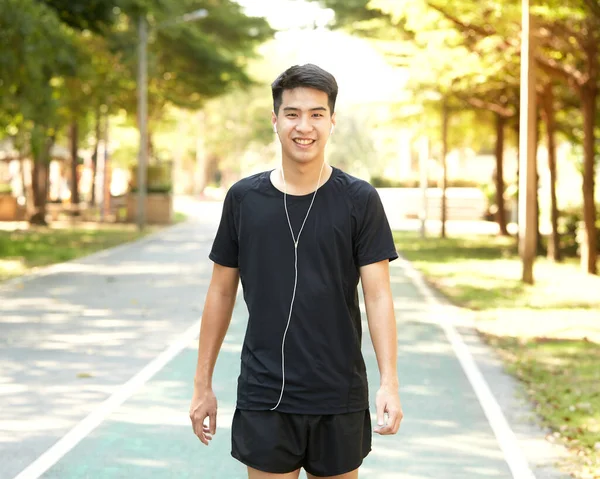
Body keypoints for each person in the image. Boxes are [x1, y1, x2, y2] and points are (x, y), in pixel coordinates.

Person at [190, 63, 403, 479]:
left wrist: (389, 382)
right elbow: (220, 293)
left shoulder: (360, 200)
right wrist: (203, 385)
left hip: (338, 395)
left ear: (332, 121)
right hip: (265, 395)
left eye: (316, 114)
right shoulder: (243, 199)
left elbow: (378, 295)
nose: (304, 126)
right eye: (292, 114)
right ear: (275, 120)